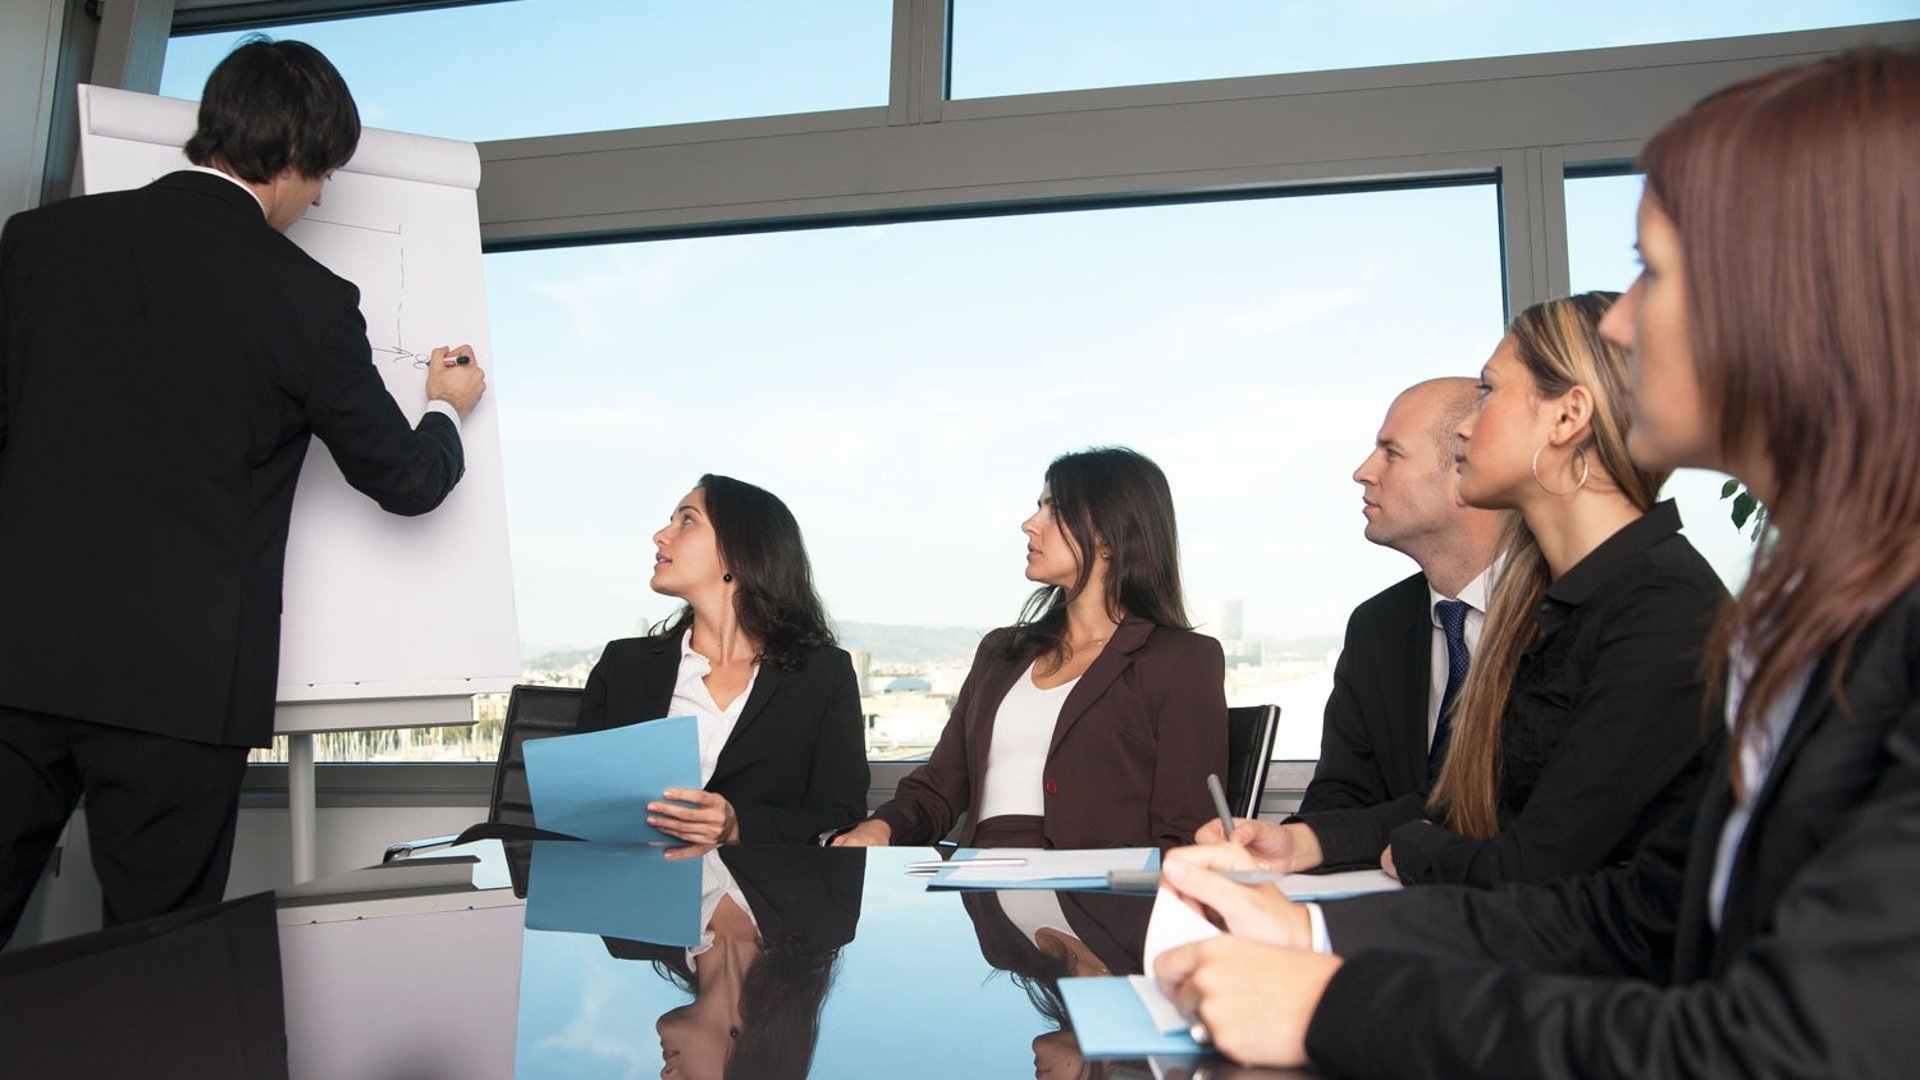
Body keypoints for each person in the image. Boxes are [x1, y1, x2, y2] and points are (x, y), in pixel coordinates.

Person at [1154, 46, 1920, 1075]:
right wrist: (1319, 940)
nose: (1617, 319)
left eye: (1654, 269)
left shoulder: (1753, 626)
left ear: (1790, 294)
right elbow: (1642, 923)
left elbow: (1780, 1048)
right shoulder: (1802, 628)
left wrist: (1341, 1003)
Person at [0, 37, 486, 944]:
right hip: (180, 694)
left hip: (13, 662)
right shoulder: (304, 298)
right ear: (295, 158)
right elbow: (409, 481)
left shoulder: (38, 245)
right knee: (159, 968)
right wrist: (445, 407)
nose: (316, 199)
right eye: (323, 177)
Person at [1206, 293, 1726, 887]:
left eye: (1489, 392)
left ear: (1567, 417)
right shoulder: (1573, 601)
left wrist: (1410, 856)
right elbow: (1464, 804)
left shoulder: (1658, 609)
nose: (1467, 426)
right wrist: (1300, 843)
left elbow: (1534, 867)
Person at [833, 446, 1226, 850]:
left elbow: (1185, 832)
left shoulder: (1181, 660)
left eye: (1054, 511)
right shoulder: (1001, 652)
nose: (1029, 524)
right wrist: (880, 828)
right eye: (1037, 507)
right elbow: (941, 785)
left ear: (1109, 537)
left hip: (1103, 900)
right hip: (981, 890)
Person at [576, 474, 868, 846]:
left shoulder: (824, 674)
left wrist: (737, 826)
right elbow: (581, 803)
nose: (660, 535)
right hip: (640, 891)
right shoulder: (624, 665)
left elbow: (841, 816)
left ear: (739, 550)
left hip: (759, 895)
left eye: (687, 520)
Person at [1291, 378, 1504, 853]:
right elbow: (1341, 794)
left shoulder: (1559, 612)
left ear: (1467, 470)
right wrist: (1289, 844)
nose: (1362, 472)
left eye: (1391, 452)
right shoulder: (1377, 626)